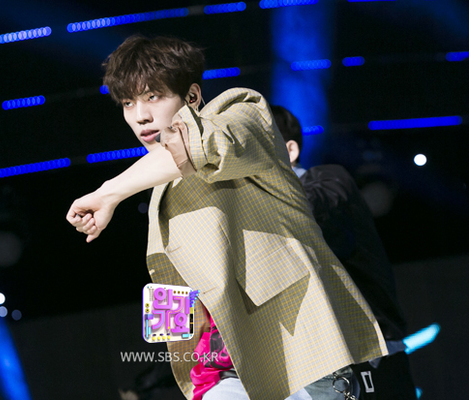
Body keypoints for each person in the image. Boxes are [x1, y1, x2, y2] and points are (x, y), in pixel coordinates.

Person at [67, 35, 387, 400]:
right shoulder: (157, 194)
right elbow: (170, 292)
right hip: (222, 372)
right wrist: (174, 369)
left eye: (153, 96)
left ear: (192, 96)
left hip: (297, 351)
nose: (140, 115)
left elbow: (198, 146)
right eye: (128, 103)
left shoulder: (243, 113)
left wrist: (107, 193)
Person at [271, 105, 417, 399]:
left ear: (290, 150)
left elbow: (314, 216)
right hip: (310, 369)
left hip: (371, 358)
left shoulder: (327, 179)